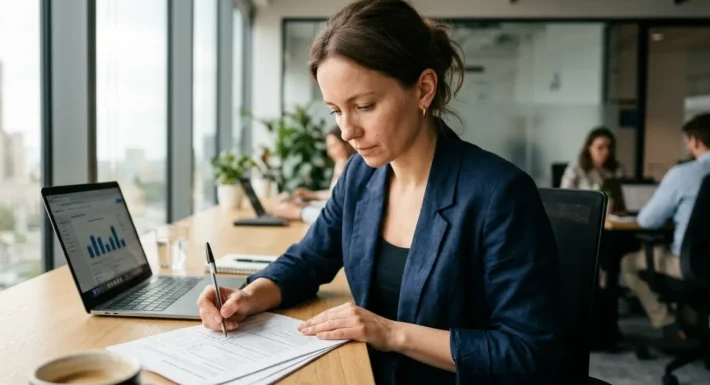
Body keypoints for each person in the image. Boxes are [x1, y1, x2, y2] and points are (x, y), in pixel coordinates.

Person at [198, 1, 560, 384]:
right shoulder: (361, 176)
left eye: (364, 106)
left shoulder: (498, 194)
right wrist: (251, 295)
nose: (347, 131)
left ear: (423, 89)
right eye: (336, 111)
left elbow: (528, 352)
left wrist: (389, 333)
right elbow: (309, 259)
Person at [621, 113, 710, 340]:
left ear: (696, 141)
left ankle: (668, 323)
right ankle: (691, 323)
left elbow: (647, 221)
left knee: (628, 263)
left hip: (692, 266)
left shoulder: (684, 174)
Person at [271, 126, 356, 223]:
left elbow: (339, 216)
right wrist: (309, 202)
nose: (329, 153)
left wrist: (299, 212)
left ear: (347, 144)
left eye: (333, 146)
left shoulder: (354, 172)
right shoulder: (341, 166)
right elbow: (334, 199)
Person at [560, 127, 626, 190]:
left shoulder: (618, 169)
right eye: (600, 147)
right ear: (589, 148)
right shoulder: (575, 169)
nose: (606, 152)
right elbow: (564, 196)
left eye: (609, 147)